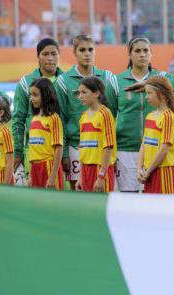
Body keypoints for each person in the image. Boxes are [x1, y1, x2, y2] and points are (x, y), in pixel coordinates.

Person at [113, 36, 174, 192]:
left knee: (154, 200)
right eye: (137, 51)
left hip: (156, 152)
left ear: (151, 54)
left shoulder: (163, 78)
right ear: (129, 54)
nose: (142, 54)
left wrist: (148, 83)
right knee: (129, 199)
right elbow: (110, 112)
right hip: (126, 149)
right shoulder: (117, 80)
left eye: (146, 50)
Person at [55, 34, 117, 189]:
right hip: (77, 148)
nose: (87, 53)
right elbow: (61, 118)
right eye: (82, 50)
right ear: (74, 52)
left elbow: (114, 111)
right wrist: (65, 154)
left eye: (91, 49)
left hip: (102, 149)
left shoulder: (108, 77)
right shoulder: (63, 80)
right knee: (80, 195)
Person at [12, 38, 64, 185]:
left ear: (59, 55)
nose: (50, 58)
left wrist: (66, 153)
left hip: (61, 153)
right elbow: (18, 120)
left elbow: (70, 118)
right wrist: (18, 152)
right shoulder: (25, 83)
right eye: (45, 54)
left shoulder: (66, 81)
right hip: (34, 153)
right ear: (38, 57)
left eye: (54, 54)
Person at [137, 75, 174, 194]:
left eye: (149, 93)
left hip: (163, 171)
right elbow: (144, 144)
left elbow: (164, 150)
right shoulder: (150, 116)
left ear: (161, 94)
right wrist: (139, 168)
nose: (146, 97)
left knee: (165, 210)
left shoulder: (168, 117)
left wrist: (148, 171)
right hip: (149, 171)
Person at [75, 77, 116, 192]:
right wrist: (80, 176)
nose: (80, 96)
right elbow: (83, 149)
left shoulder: (105, 114)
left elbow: (108, 147)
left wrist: (101, 176)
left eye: (84, 92)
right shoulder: (83, 116)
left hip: (101, 170)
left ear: (96, 93)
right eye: (79, 92)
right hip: (86, 170)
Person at [27, 78, 64, 189]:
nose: (32, 98)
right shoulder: (34, 119)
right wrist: (30, 174)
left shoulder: (54, 118)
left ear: (46, 95)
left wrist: (53, 176)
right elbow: (33, 149)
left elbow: (59, 148)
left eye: (35, 95)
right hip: (35, 169)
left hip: (48, 166)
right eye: (31, 95)